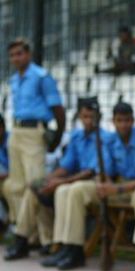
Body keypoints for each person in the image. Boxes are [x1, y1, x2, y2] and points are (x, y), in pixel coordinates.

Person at [50, 102, 135, 271]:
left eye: (127, 120)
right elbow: (104, 170)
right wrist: (101, 182)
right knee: (77, 189)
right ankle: (74, 250)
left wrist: (117, 188)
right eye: (120, 121)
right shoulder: (110, 141)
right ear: (113, 121)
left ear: (133, 120)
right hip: (119, 188)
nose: (124, 125)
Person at [3, 97, 109, 261]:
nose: (88, 121)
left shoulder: (104, 138)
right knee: (34, 187)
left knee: (63, 189)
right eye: (85, 117)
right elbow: (66, 166)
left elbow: (90, 172)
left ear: (99, 117)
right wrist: (48, 179)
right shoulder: (77, 137)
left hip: (92, 183)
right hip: (73, 180)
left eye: (92, 117)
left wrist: (59, 182)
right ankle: (22, 238)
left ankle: (65, 246)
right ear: (80, 117)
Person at [3, 38, 65, 236]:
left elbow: (58, 108)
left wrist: (57, 137)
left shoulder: (41, 77)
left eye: (19, 53)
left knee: (36, 185)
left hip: (34, 132)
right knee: (15, 186)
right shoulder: (14, 80)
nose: (16, 58)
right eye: (12, 55)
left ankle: (47, 238)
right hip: (16, 131)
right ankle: (30, 236)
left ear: (28, 54)